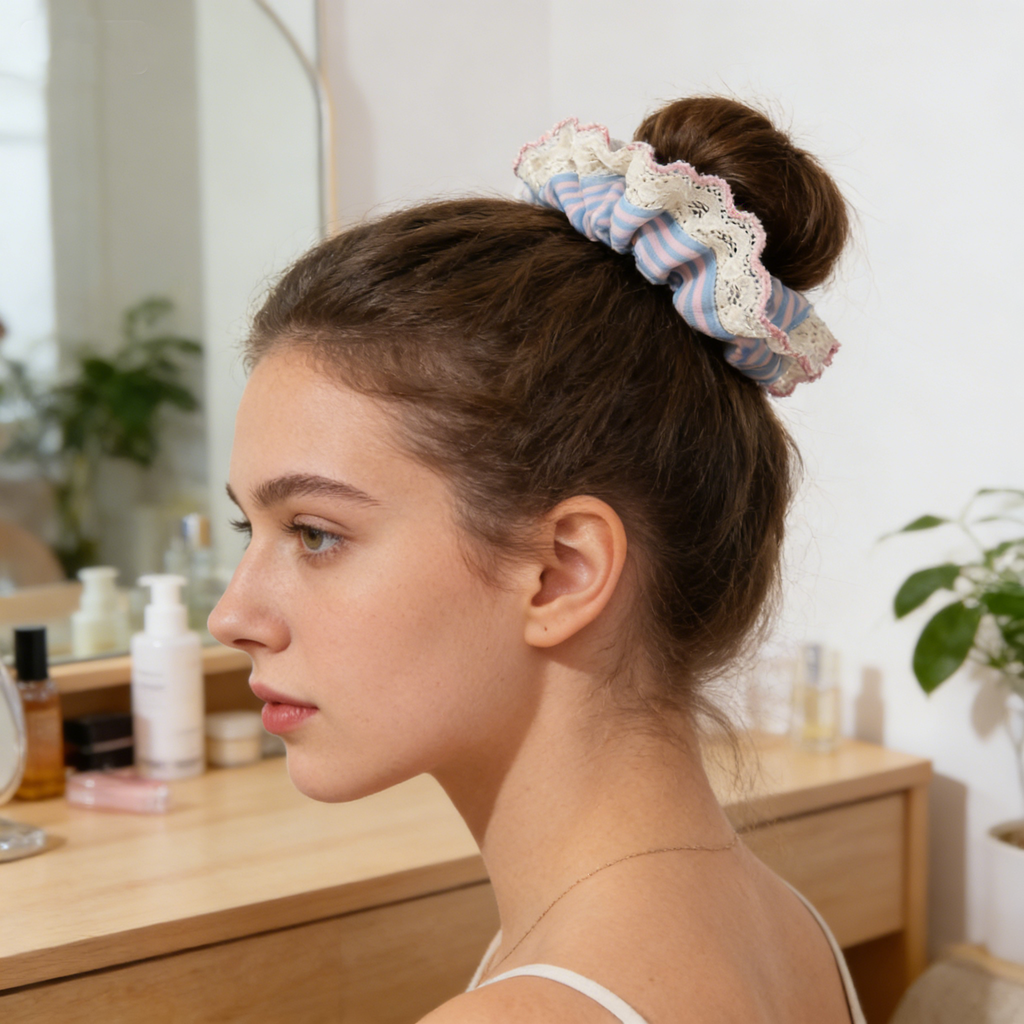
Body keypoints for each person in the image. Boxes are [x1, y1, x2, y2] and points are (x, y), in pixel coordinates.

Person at [209, 96, 863, 1023]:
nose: (233, 616)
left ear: (562, 572)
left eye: (315, 534)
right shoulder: (791, 932)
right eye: (250, 531)